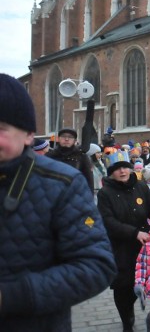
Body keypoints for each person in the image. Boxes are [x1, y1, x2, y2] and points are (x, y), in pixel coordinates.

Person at [0, 73, 116, 331]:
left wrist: (12, 296)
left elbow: (96, 266)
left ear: (29, 134)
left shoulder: (63, 182)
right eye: (62, 137)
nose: (65, 141)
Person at [98, 157, 150, 331]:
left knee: (143, 281)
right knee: (123, 286)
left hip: (145, 244)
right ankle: (127, 319)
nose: (123, 171)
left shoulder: (141, 186)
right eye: (118, 169)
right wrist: (133, 233)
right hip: (120, 246)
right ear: (111, 173)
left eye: (125, 167)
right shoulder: (105, 193)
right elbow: (107, 220)